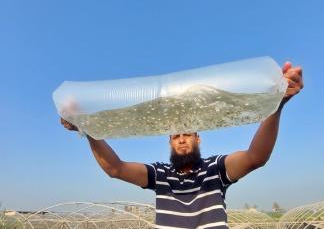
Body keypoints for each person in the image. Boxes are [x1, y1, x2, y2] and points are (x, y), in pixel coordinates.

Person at [61, 62, 303, 228]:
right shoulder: (160, 175)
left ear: (198, 138)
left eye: (187, 134)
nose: (181, 139)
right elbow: (115, 168)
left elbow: (255, 157)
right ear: (169, 142)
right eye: (176, 136)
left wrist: (277, 105)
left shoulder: (215, 170)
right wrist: (87, 128)